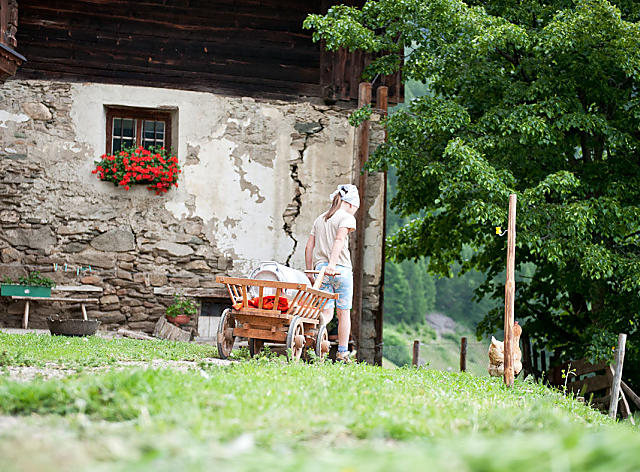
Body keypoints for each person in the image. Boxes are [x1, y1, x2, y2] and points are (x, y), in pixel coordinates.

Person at [305, 184, 359, 362]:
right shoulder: (347, 218)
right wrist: (333, 264)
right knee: (343, 313)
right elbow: (339, 239)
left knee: (326, 312)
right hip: (340, 270)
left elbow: (309, 246)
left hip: (320, 270)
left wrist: (310, 271)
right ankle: (342, 353)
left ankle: (316, 334)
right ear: (350, 204)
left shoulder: (320, 219)